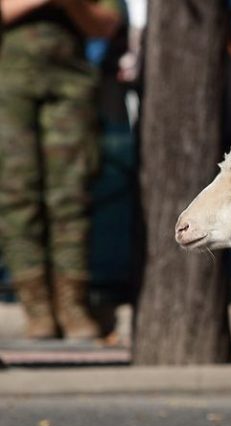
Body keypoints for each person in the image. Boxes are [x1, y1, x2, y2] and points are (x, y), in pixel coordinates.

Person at [0, 0, 121, 340]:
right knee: (16, 195)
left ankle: (72, 303)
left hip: (70, 85)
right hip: (9, 84)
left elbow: (106, 24)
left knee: (71, 196)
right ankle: (36, 306)